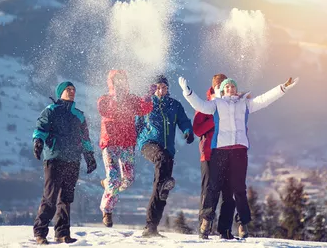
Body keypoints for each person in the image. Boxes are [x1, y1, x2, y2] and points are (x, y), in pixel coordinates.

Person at [178, 76, 299, 239]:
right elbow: (199, 105)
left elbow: (264, 100)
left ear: (236, 89)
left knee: (239, 189)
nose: (230, 89)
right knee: (213, 187)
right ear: (222, 90)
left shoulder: (245, 104)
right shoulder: (216, 104)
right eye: (227, 87)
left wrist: (282, 88)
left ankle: (243, 223)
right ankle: (206, 221)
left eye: (232, 87)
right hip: (219, 150)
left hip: (239, 151)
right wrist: (188, 92)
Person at [32, 81, 97, 245]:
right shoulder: (51, 110)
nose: (72, 91)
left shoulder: (79, 115)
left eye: (74, 89)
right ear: (60, 92)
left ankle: (62, 233)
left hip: (73, 160)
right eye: (68, 89)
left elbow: (85, 138)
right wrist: (38, 142)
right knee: (50, 197)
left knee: (66, 198)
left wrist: (89, 156)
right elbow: (41, 127)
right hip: (54, 157)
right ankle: (40, 233)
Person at [136, 75, 195, 238]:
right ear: (153, 88)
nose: (161, 90)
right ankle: (151, 225)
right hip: (149, 143)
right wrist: (137, 137)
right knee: (161, 160)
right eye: (158, 87)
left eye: (164, 87)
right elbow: (137, 121)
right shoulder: (146, 103)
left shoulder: (174, 105)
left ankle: (151, 227)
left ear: (168, 89)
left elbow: (184, 121)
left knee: (161, 189)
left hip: (168, 149)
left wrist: (188, 132)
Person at [97, 70, 153, 227]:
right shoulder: (105, 99)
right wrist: (116, 98)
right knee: (115, 179)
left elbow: (144, 109)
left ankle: (108, 183)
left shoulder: (132, 98)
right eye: (116, 80)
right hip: (110, 143)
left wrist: (148, 96)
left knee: (128, 179)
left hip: (127, 143)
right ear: (111, 82)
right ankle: (107, 210)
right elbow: (104, 110)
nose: (120, 82)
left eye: (122, 80)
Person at [192, 74, 236, 239]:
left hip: (228, 153)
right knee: (209, 191)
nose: (222, 89)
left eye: (225, 86)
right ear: (214, 87)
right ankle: (204, 227)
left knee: (228, 191)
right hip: (209, 154)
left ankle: (225, 230)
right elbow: (197, 129)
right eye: (219, 86)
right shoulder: (206, 105)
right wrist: (216, 120)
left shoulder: (232, 105)